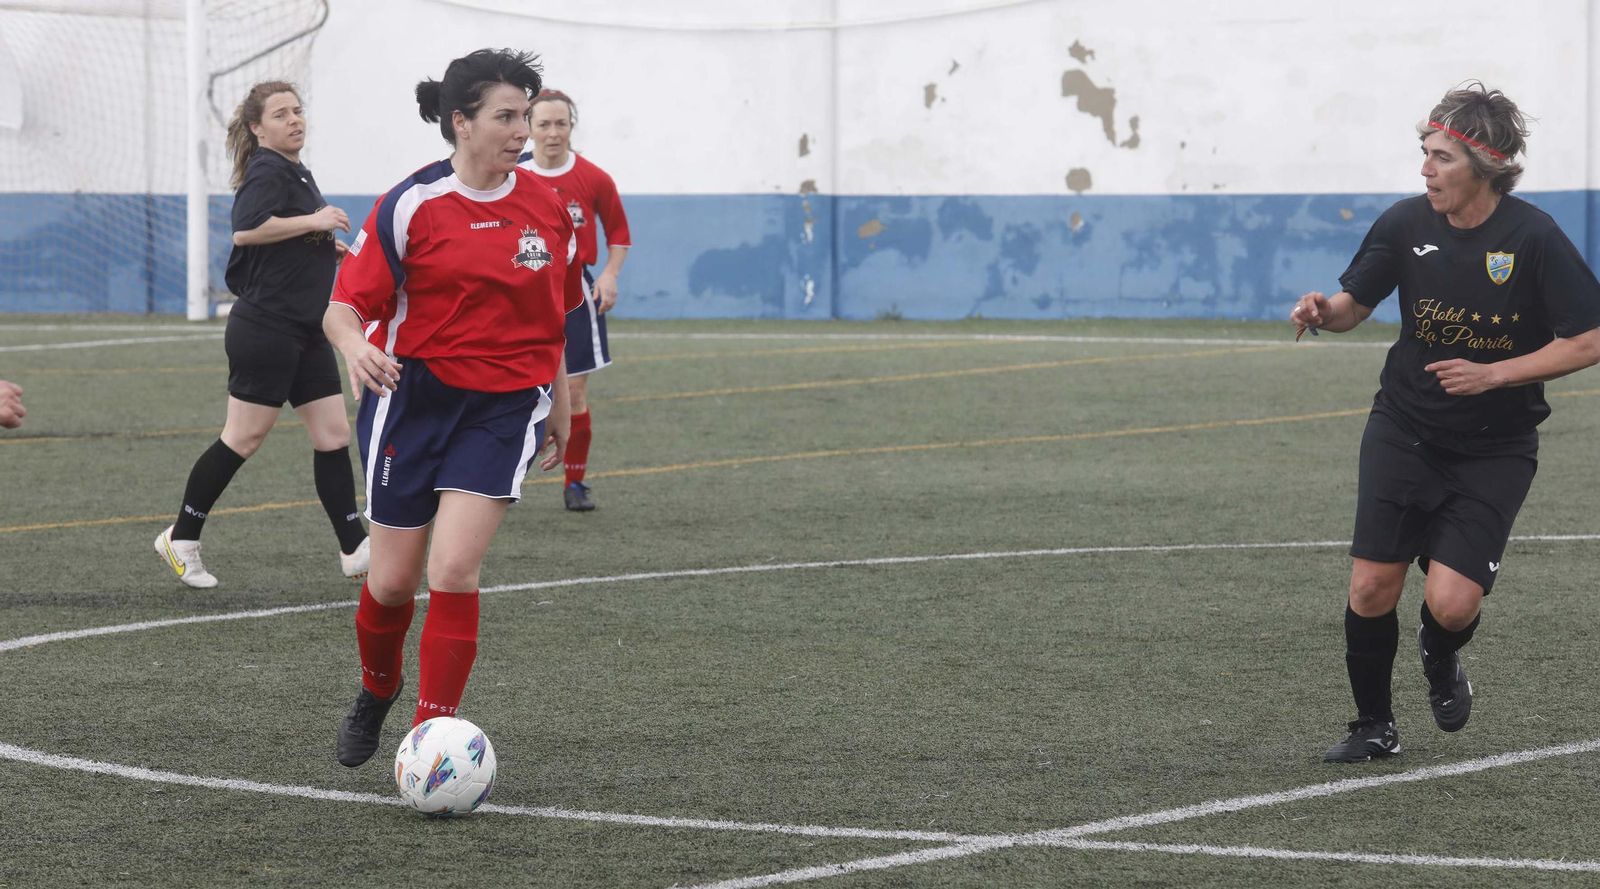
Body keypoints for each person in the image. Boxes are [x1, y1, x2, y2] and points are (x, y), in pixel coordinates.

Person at [1290, 82, 1600, 763]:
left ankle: (1439, 649)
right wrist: (1323, 312)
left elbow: (1589, 337)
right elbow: (1354, 303)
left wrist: (1495, 373)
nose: (1425, 169)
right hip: (1405, 426)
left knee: (1453, 603)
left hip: (1495, 447)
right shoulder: (1405, 224)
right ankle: (1374, 723)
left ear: (1484, 167)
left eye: (1440, 157)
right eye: (1423, 154)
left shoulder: (1534, 237)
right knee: (1372, 583)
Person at [325, 48, 583, 768]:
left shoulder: (548, 209)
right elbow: (343, 307)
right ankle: (378, 688)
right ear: (460, 123)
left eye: (525, 118)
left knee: (456, 569)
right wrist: (354, 347)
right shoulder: (412, 204)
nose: (520, 132)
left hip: (503, 408)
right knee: (391, 580)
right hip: (412, 402)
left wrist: (559, 405)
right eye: (505, 117)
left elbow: (553, 319)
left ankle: (429, 738)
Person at [154, 81, 369, 590]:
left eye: (298, 110)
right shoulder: (267, 169)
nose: (295, 120)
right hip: (267, 328)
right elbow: (246, 230)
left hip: (307, 328)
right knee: (244, 437)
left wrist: (321, 247)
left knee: (334, 435)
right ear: (257, 127)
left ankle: (355, 546)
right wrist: (315, 220)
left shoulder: (295, 170)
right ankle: (181, 537)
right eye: (280, 114)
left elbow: (282, 235)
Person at [518, 89, 631, 511]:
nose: (552, 133)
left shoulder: (594, 178)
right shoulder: (513, 174)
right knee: (513, 389)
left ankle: (575, 483)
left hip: (575, 293)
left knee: (574, 390)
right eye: (543, 124)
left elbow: (619, 234)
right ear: (528, 128)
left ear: (571, 126)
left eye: (560, 123)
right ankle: (503, 478)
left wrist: (609, 274)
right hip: (523, 290)